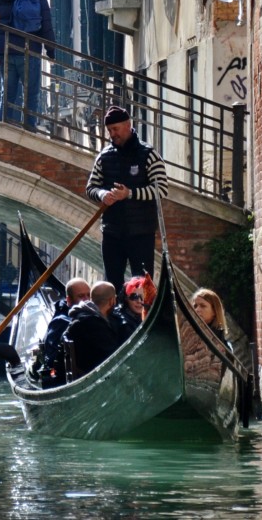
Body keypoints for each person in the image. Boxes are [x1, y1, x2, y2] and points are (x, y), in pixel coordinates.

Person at [84, 105, 170, 297]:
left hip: (141, 232)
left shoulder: (149, 154)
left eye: (115, 129)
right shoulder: (104, 156)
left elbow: (161, 189)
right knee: (112, 285)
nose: (112, 134)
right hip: (112, 232)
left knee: (142, 285)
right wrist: (102, 195)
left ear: (128, 125)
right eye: (109, 130)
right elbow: (91, 188)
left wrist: (129, 193)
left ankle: (144, 313)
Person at [0, 0, 54, 129]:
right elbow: (46, 23)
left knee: (7, 94)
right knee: (31, 95)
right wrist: (51, 50)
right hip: (29, 50)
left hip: (6, 51)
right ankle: (29, 130)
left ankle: (2, 129)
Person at [32, 277, 90, 387]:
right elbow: (52, 360)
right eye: (81, 296)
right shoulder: (61, 322)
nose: (86, 300)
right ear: (69, 300)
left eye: (89, 295)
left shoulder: (93, 317)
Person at [63, 281, 122, 378]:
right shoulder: (94, 325)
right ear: (112, 301)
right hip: (98, 378)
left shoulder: (80, 318)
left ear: (91, 298)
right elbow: (115, 356)